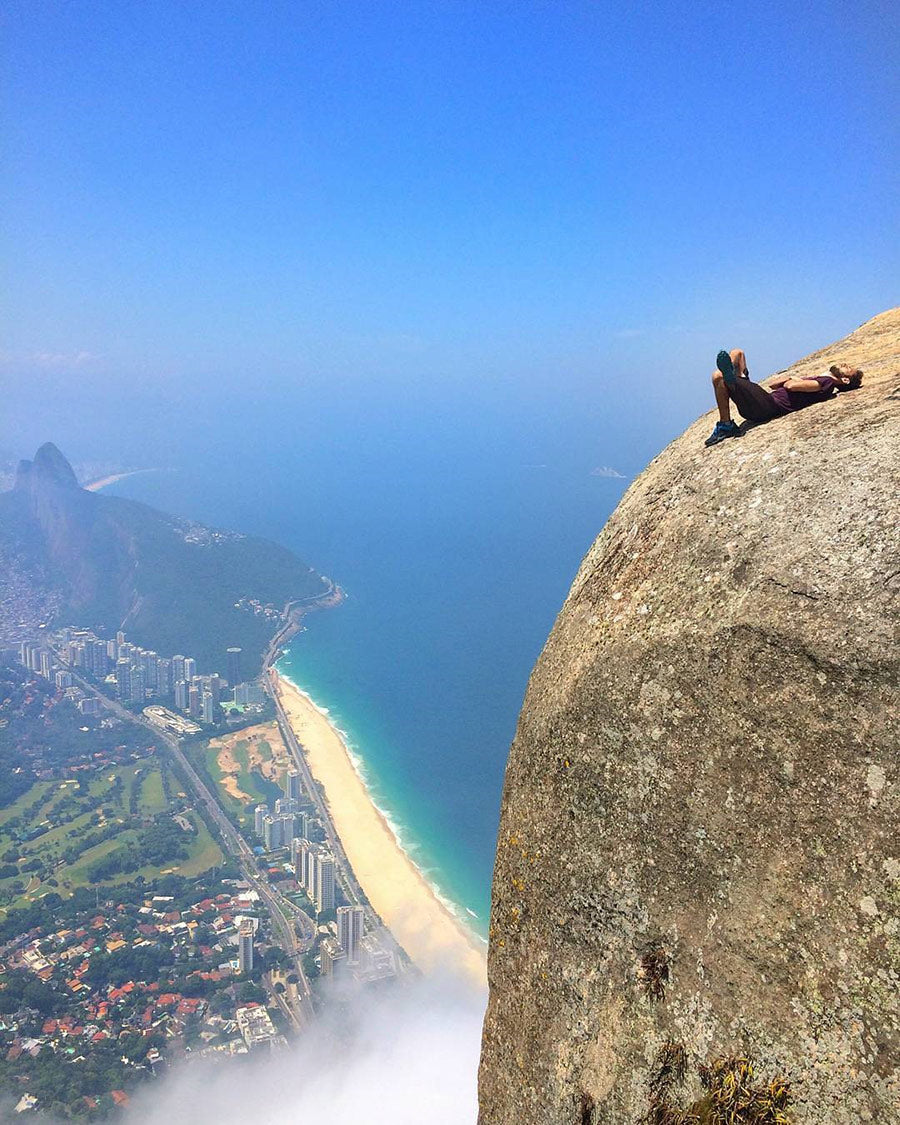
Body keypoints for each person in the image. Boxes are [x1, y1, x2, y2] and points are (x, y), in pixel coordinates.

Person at [705, 349, 863, 446]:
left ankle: (726, 424)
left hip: (767, 406)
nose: (845, 364)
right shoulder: (819, 378)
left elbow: (791, 386)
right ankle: (734, 378)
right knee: (737, 353)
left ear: (845, 380)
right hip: (763, 401)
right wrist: (793, 377)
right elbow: (774, 385)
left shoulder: (827, 383)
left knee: (718, 376)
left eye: (848, 368)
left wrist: (795, 380)